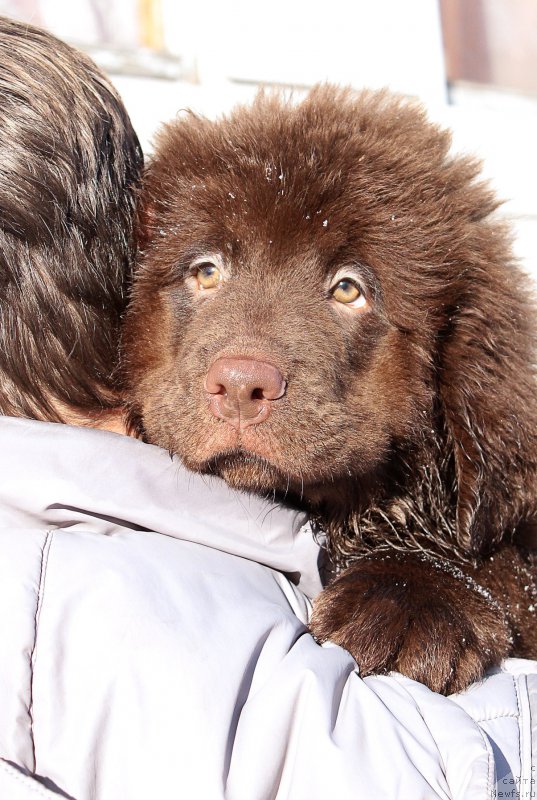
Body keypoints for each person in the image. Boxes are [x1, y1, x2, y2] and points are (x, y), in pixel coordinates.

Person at [0, 15, 535, 800]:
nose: (241, 367)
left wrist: (456, 587)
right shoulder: (87, 591)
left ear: (461, 367)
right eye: (206, 271)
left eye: (347, 288)